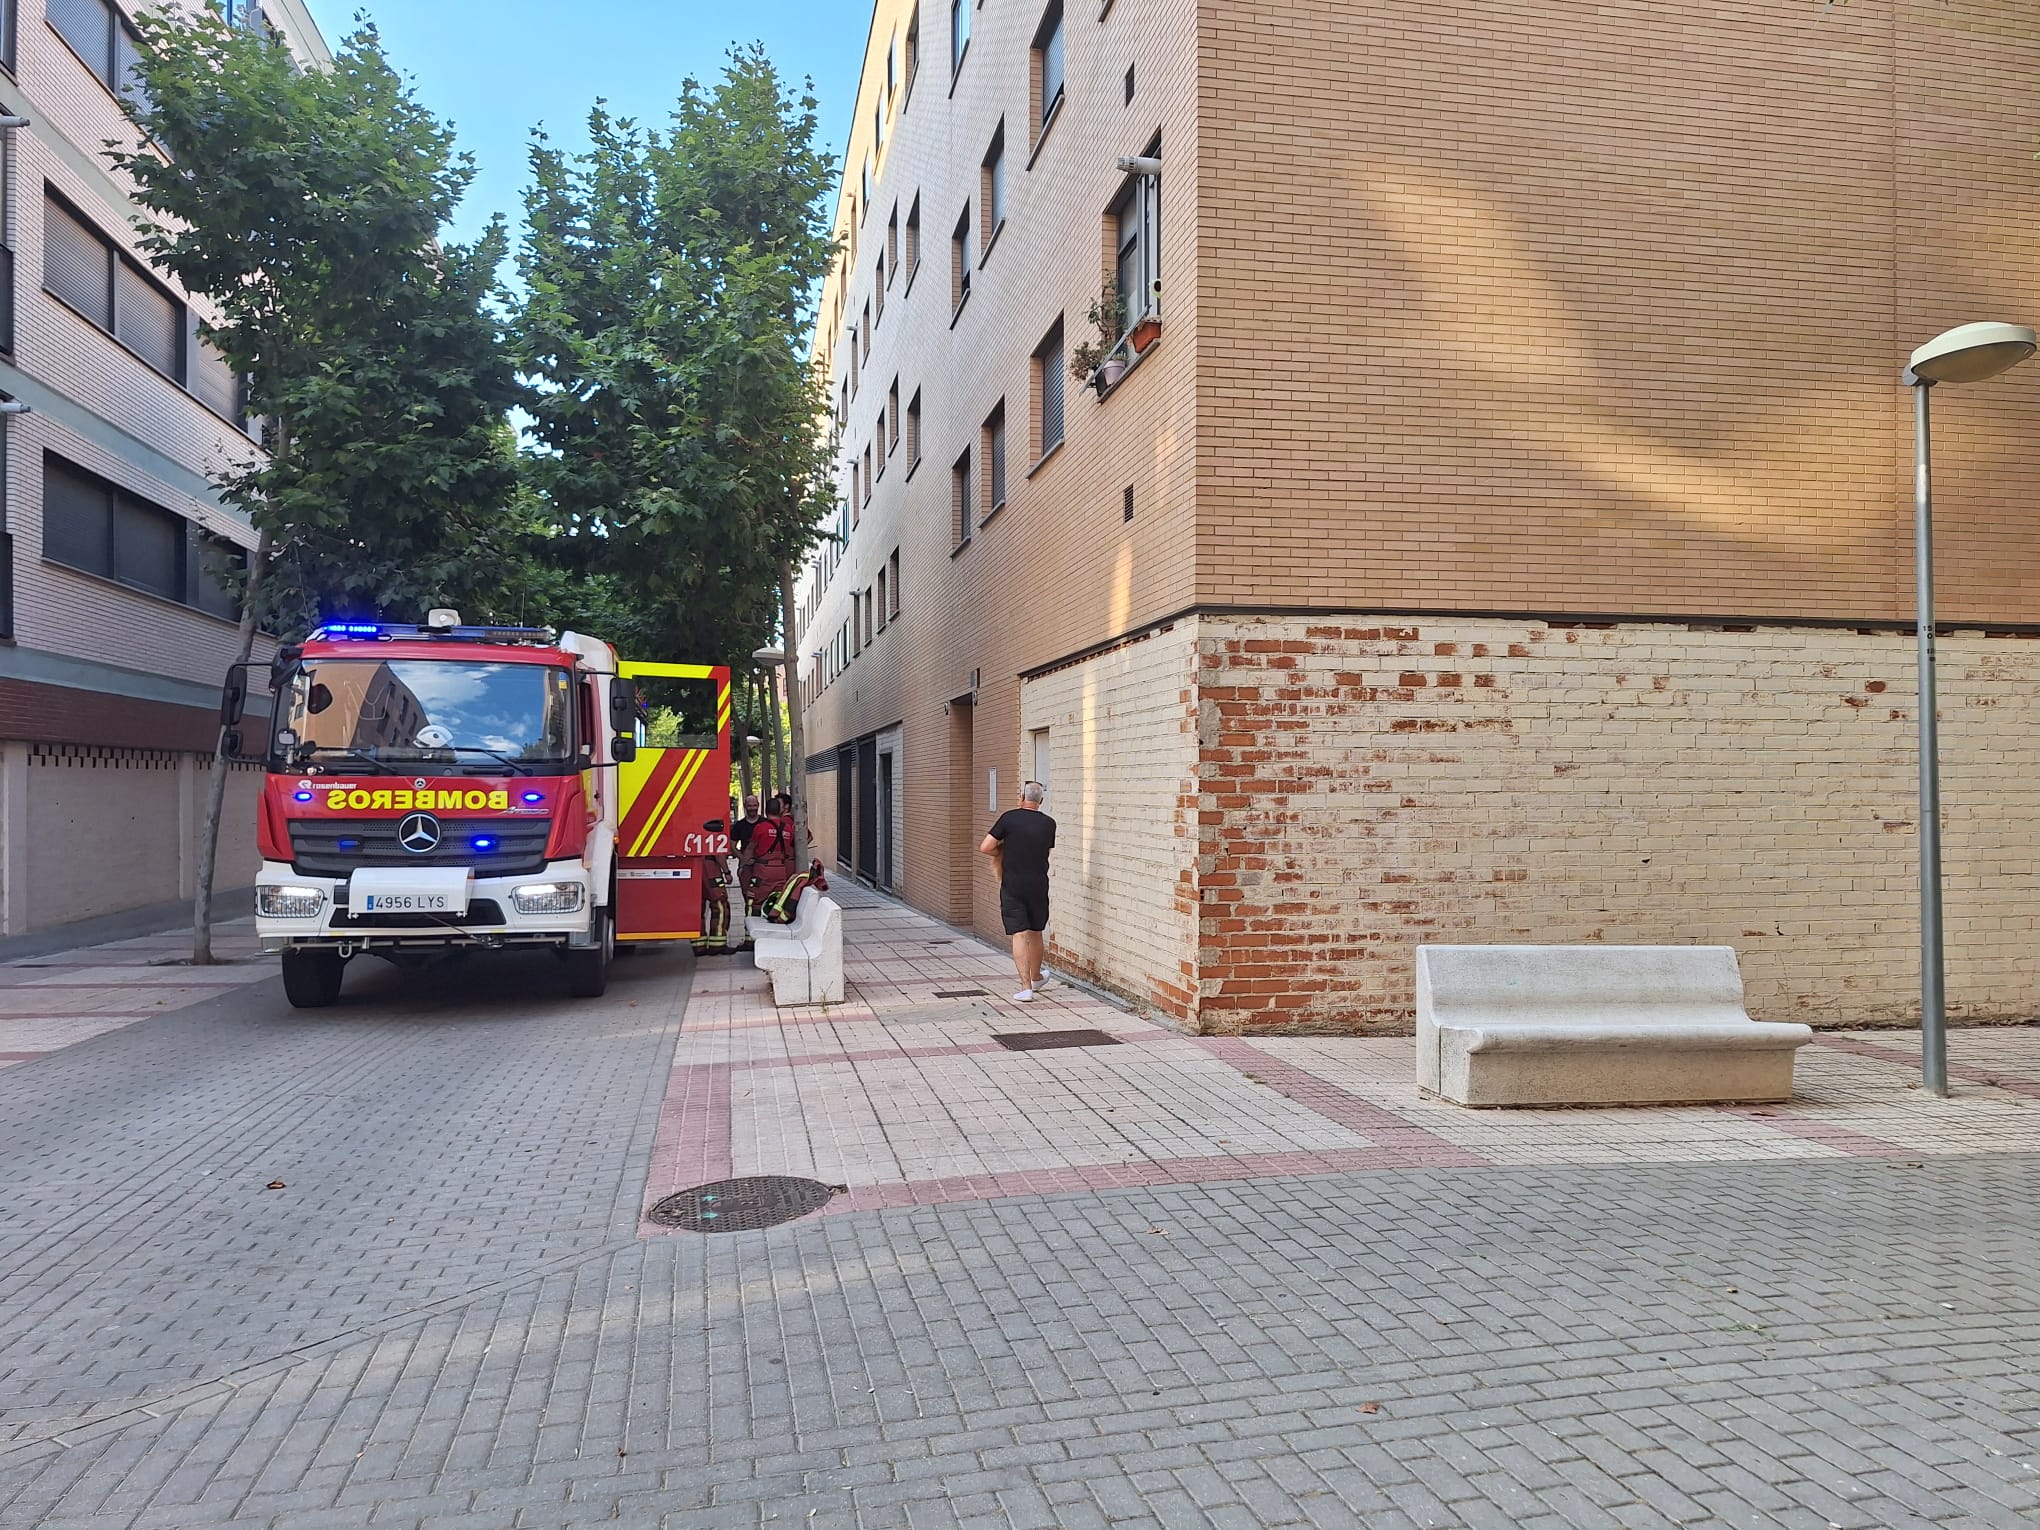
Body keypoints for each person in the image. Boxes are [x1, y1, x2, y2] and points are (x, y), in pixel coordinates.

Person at [979, 780, 1055, 1002]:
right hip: (1038, 884)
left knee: (1019, 933)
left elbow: (985, 847)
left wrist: (1004, 852)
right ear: (1040, 800)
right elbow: (1043, 850)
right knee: (1035, 931)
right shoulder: (1049, 824)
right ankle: (1037, 976)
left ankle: (1026, 988)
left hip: (1013, 884)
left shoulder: (1009, 819)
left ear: (1021, 797)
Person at [742, 793, 797, 914]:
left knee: (754, 901)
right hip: (781, 871)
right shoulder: (788, 828)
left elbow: (750, 849)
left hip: (762, 871)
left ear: (766, 811)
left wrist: (743, 866)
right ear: (780, 810)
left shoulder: (761, 827)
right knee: (776, 902)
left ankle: (751, 929)